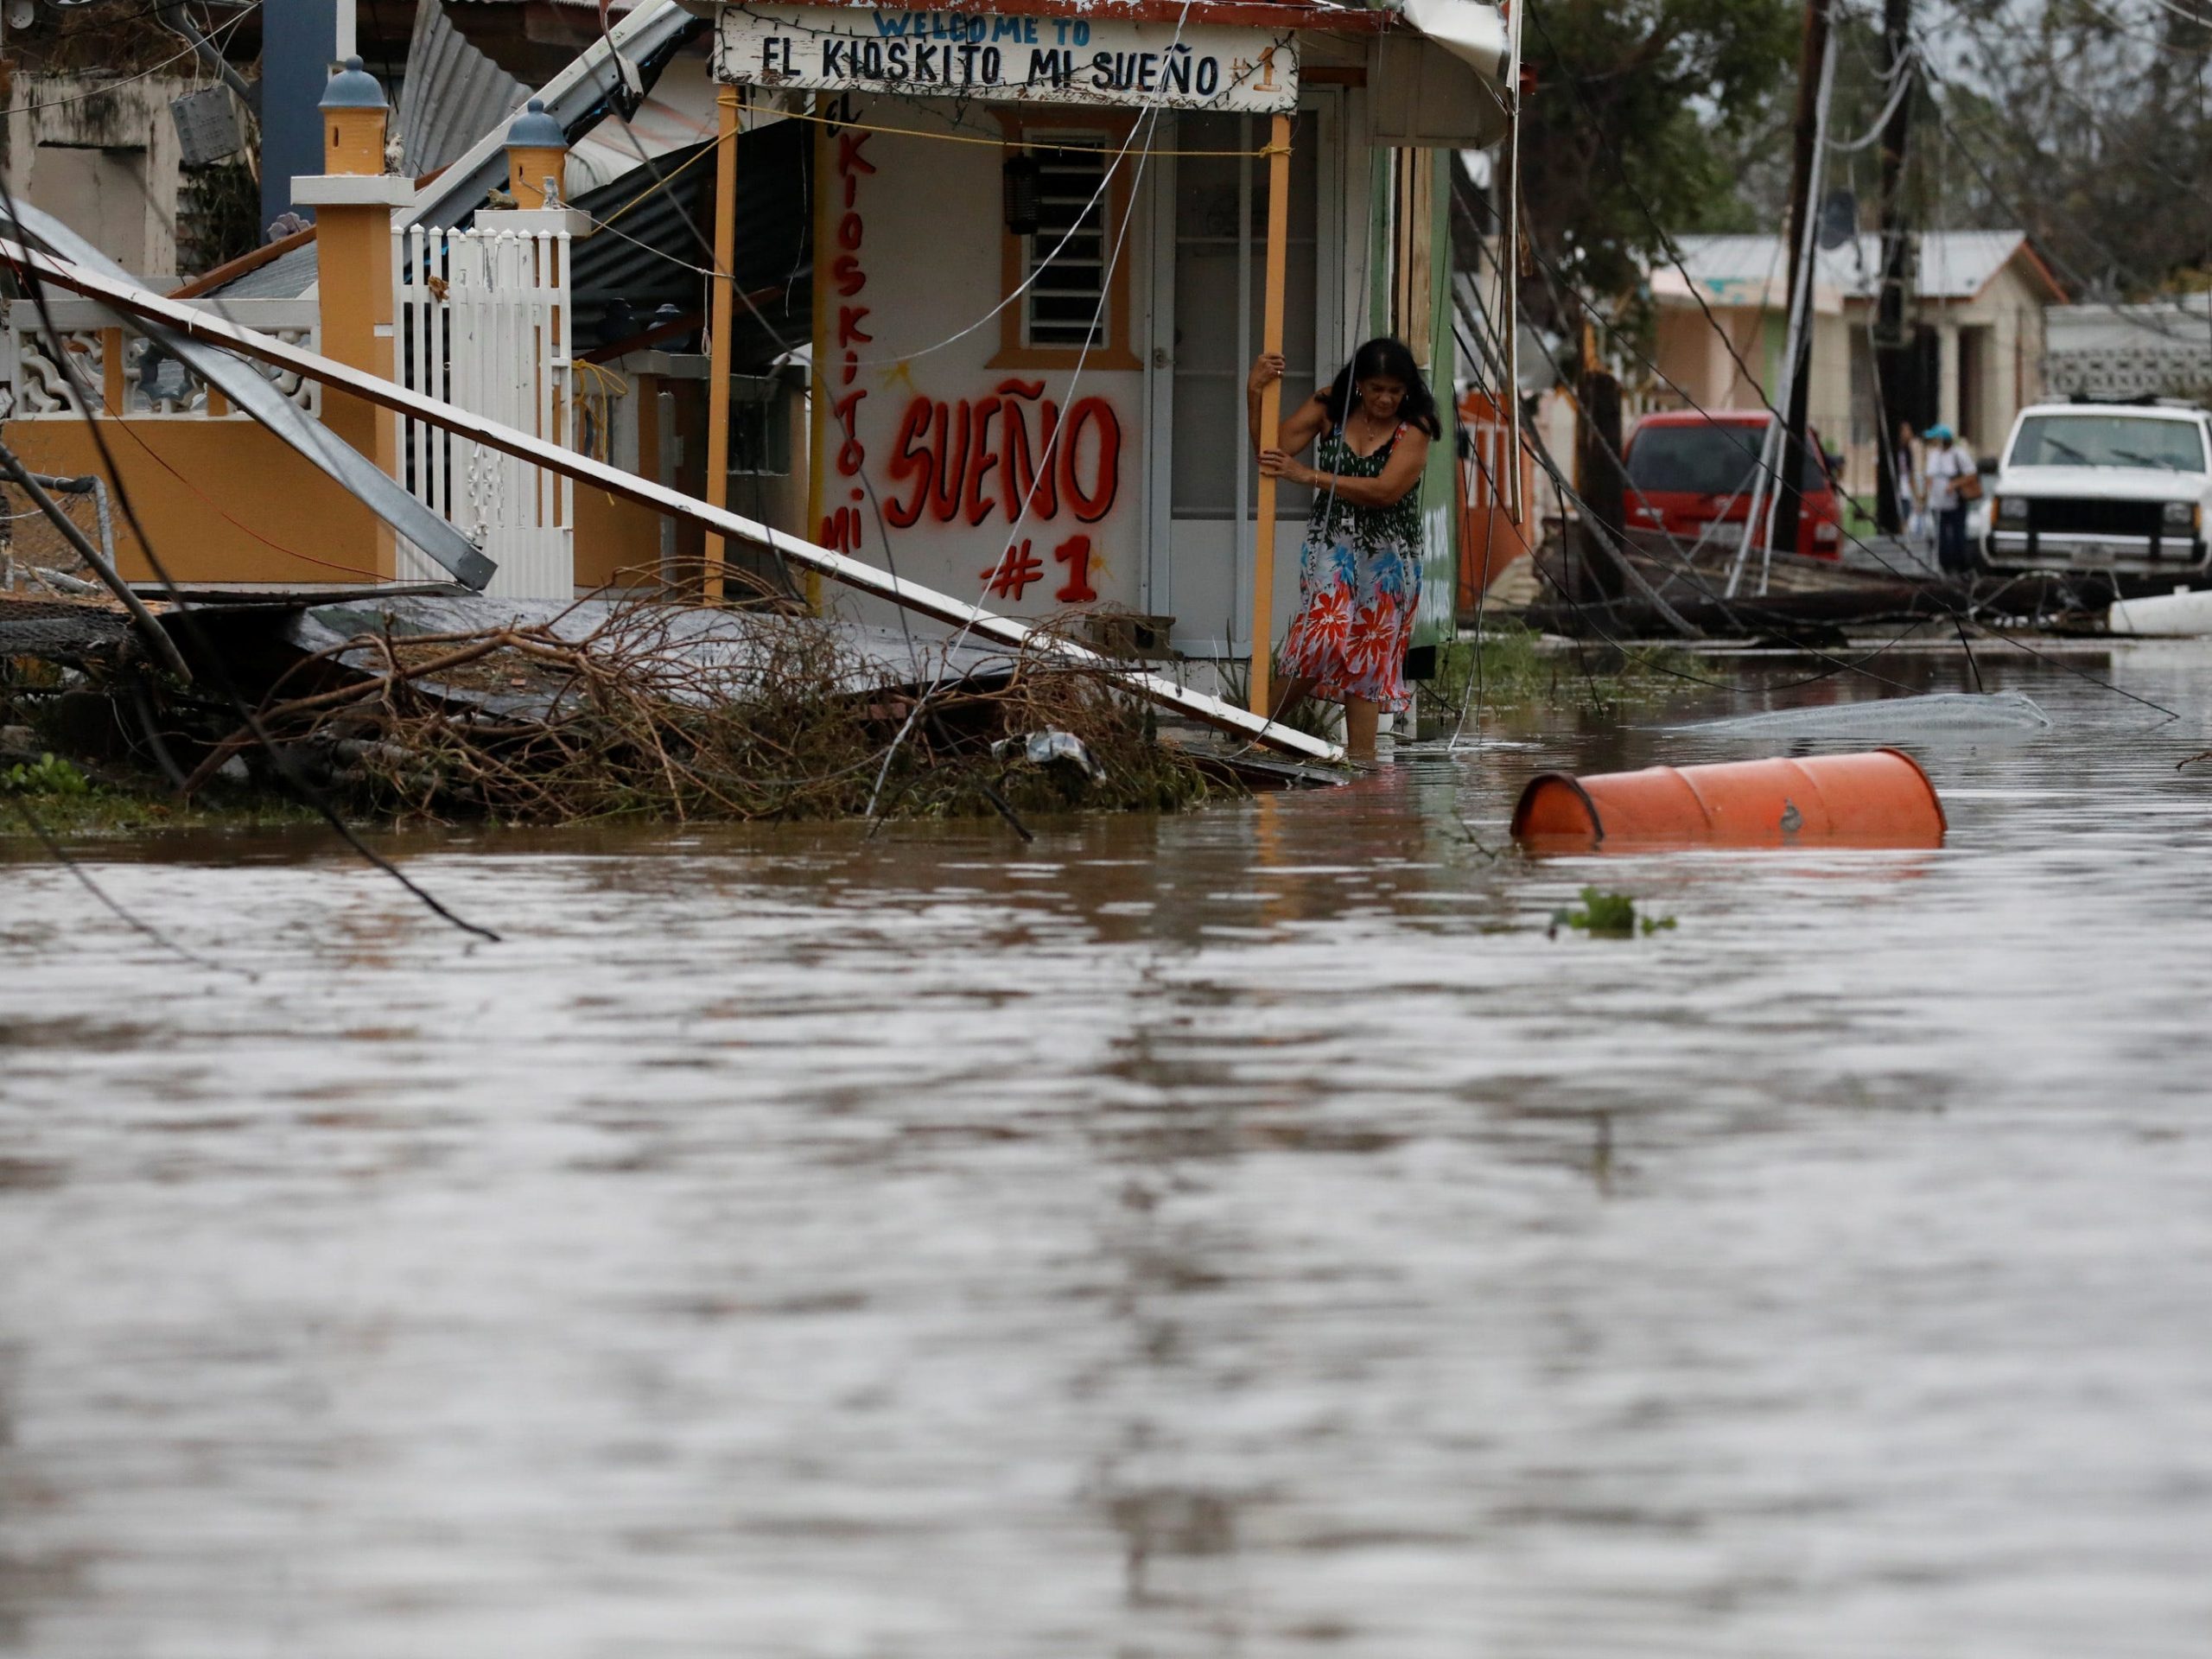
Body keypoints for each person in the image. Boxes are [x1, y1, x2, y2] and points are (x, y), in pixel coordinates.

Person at [1247, 336, 1439, 760]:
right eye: (1376, 389)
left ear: (1407, 389)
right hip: (1334, 540)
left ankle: (1362, 763)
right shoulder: (1330, 405)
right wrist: (1254, 392)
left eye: (1395, 390)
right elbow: (1271, 453)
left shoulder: (1417, 426)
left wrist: (1309, 477)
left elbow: (1385, 492)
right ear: (1358, 385)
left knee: (1367, 656)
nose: (1385, 399)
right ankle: (1255, 732)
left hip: (1390, 552)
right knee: (1324, 635)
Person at [1921, 423, 1976, 576]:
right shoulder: (1934, 456)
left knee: (1958, 537)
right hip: (1938, 504)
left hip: (1955, 503)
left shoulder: (1958, 454)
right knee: (1942, 539)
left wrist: (1954, 484)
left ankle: (1961, 568)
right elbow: (1929, 477)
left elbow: (1971, 475)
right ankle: (1944, 567)